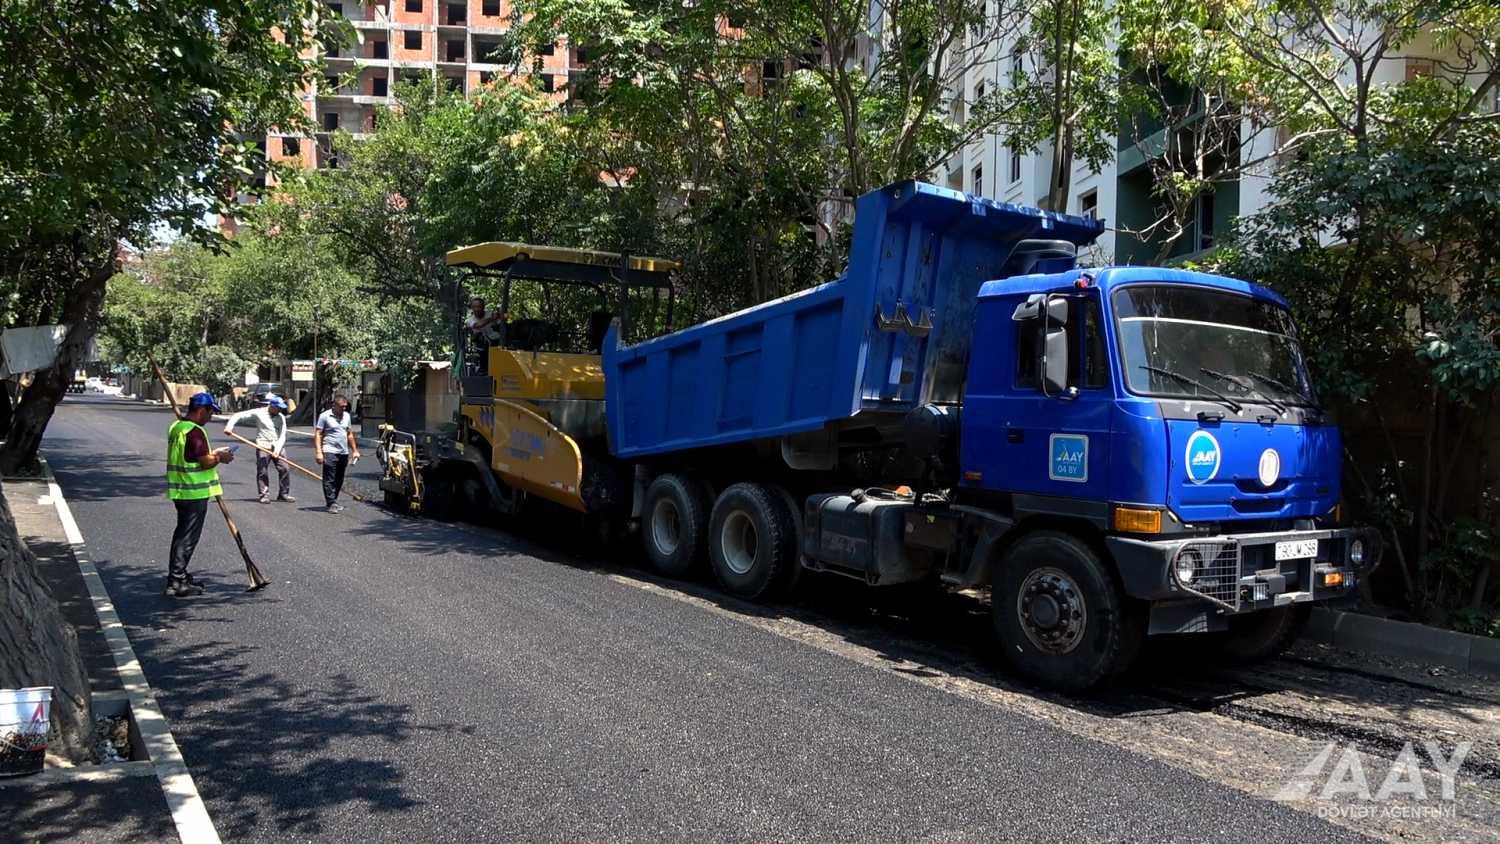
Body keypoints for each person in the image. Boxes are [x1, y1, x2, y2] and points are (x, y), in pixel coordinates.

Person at [165, 392, 235, 597]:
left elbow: (191, 456)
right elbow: (204, 462)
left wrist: (214, 453)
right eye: (211, 412)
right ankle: (176, 581)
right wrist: (220, 458)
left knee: (182, 533)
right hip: (193, 492)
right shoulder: (195, 432)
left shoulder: (177, 427)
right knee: (187, 537)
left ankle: (178, 575)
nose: (211, 417)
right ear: (202, 410)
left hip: (180, 489)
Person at [224, 394, 294, 504]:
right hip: (263, 446)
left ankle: (283, 494)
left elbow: (282, 435)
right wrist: (229, 427)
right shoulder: (259, 413)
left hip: (278, 445)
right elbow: (237, 416)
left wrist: (277, 450)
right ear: (272, 406)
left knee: (285, 468)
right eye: (278, 408)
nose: (280, 410)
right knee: (262, 471)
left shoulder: (281, 417)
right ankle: (264, 494)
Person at [313, 394, 360, 513]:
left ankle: (334, 500)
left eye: (345, 406)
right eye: (341, 406)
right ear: (334, 405)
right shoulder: (325, 416)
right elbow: (318, 434)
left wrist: (355, 450)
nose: (344, 409)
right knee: (329, 477)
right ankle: (331, 502)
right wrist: (319, 452)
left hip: (343, 452)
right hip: (329, 450)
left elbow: (349, 434)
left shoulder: (347, 416)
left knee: (339, 478)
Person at [464, 296, 505, 374]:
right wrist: (491, 319)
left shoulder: (490, 313)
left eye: (479, 306)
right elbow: (479, 325)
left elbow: (502, 321)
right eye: (474, 307)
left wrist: (500, 315)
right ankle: (484, 369)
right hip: (482, 345)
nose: (477, 309)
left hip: (497, 341)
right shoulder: (470, 320)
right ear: (472, 308)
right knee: (482, 342)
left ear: (483, 307)